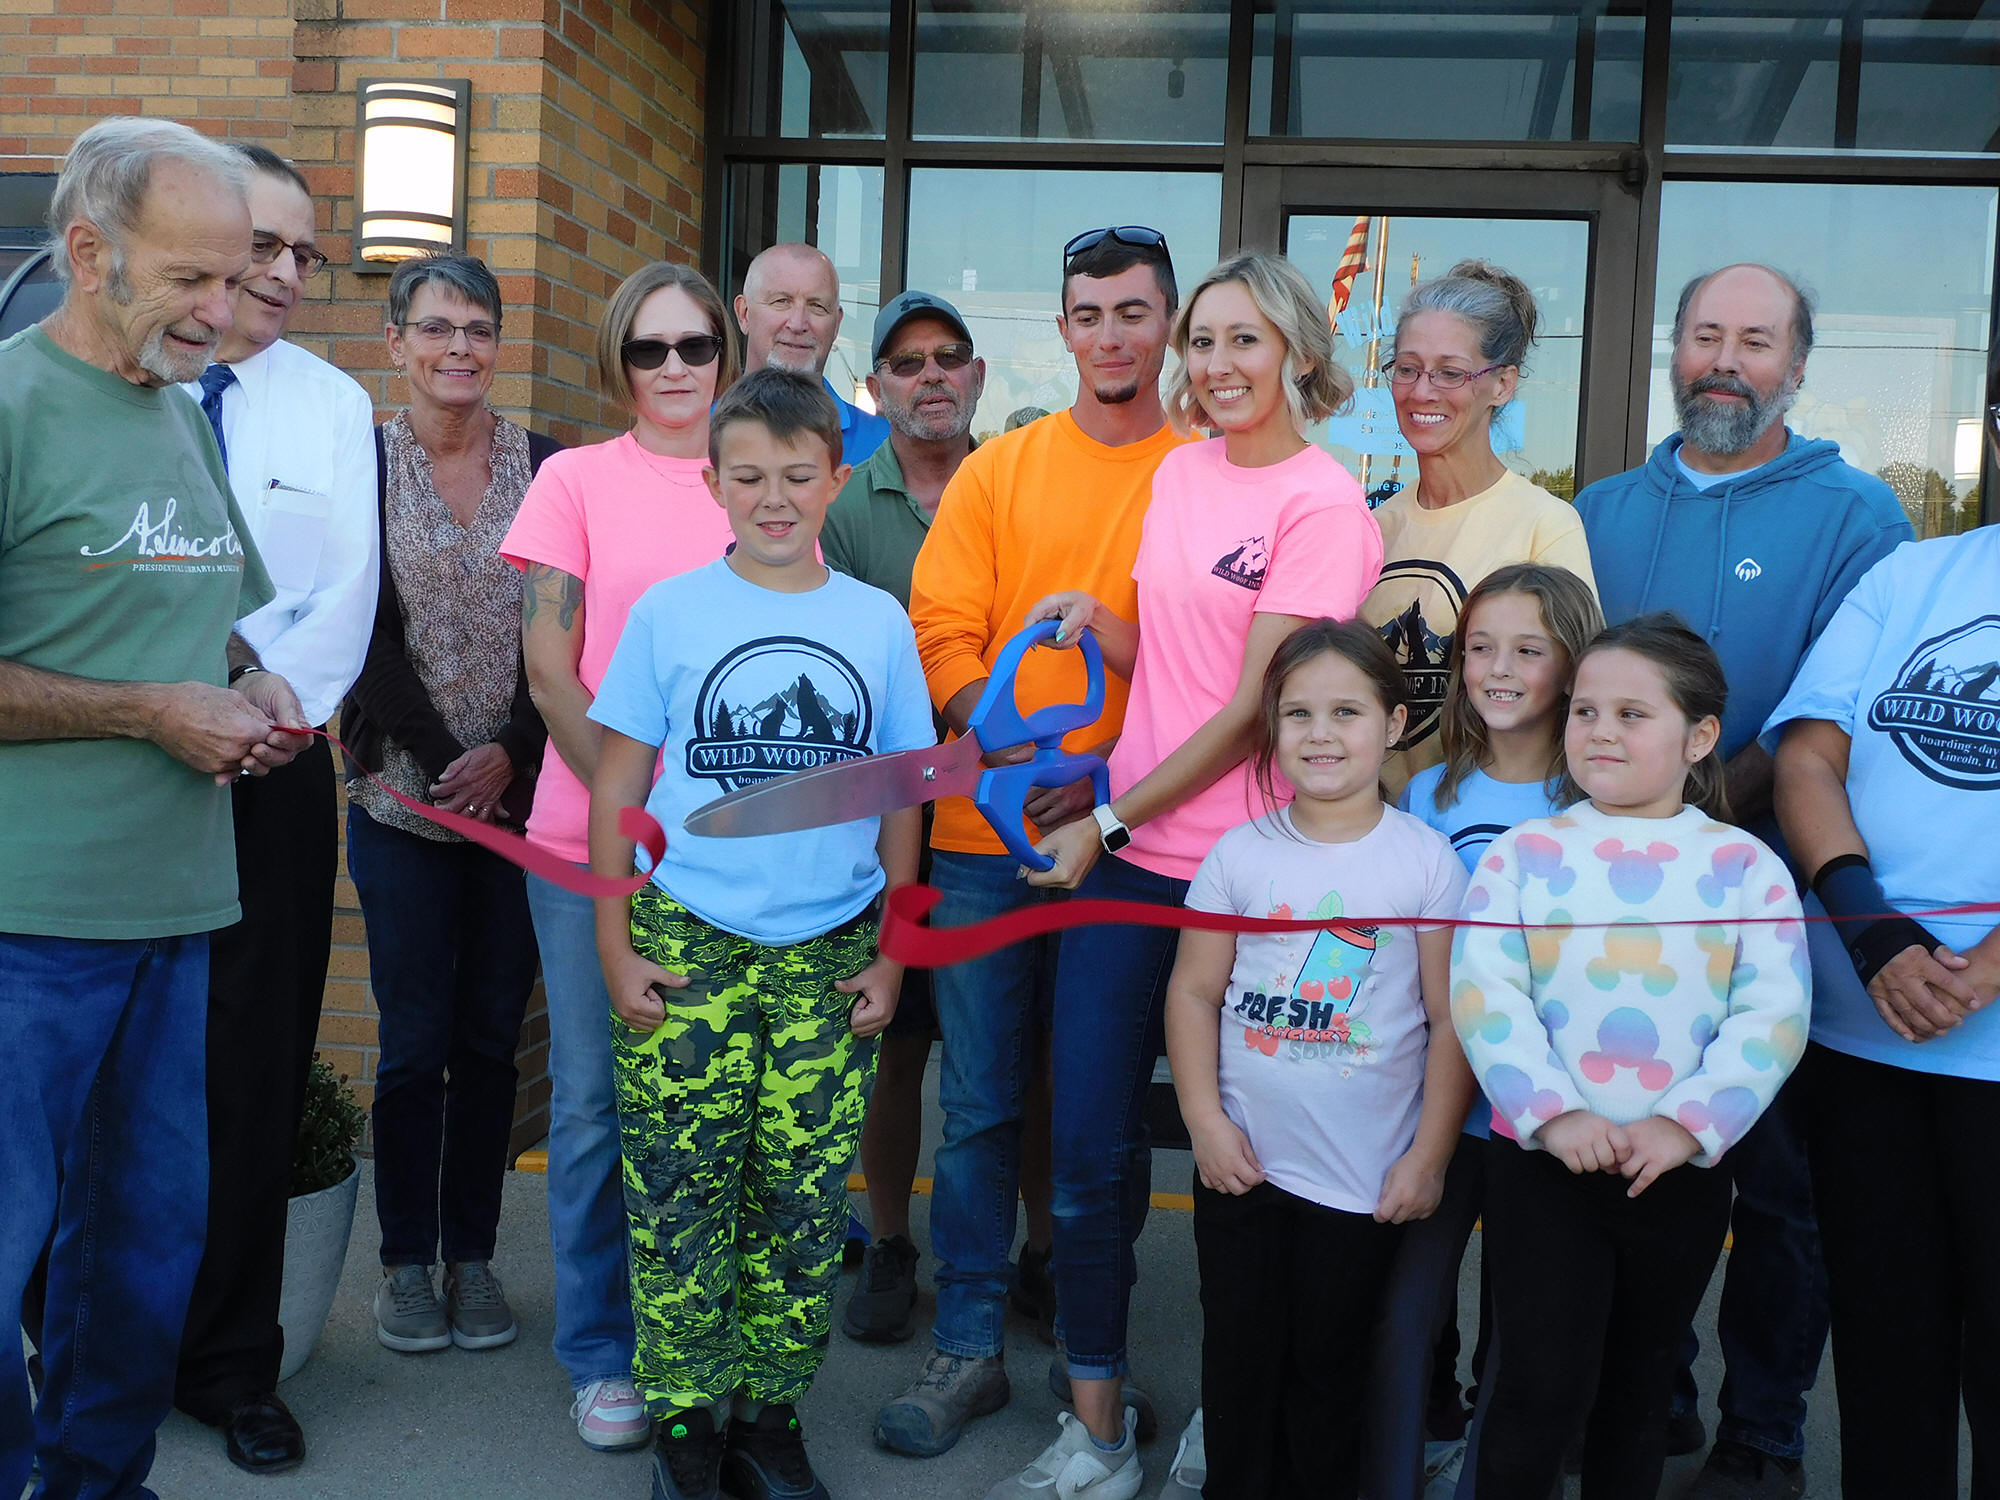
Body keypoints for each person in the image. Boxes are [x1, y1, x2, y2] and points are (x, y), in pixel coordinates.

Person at [1005, 249, 1381, 1500]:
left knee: (1255, 1161)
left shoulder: (1325, 506)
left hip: (1252, 870)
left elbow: (1248, 708)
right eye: (1203, 341)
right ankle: (1096, 1429)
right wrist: (1097, 622)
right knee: (1085, 1147)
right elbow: (1174, 653)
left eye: (1243, 341)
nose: (1216, 365)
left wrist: (1105, 823)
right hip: (1132, 864)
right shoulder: (1178, 472)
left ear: (1298, 356)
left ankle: (1236, 1415)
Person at [0, 117, 308, 1500]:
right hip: (27, 920)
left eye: (234, 278)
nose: (221, 310)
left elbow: (212, 614)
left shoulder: (179, 412)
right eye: (190, 278)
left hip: (176, 912)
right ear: (89, 252)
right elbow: (140, 684)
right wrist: (144, 711)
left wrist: (254, 682)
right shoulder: (11, 410)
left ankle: (98, 1481)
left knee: (141, 1249)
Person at [1574, 263, 1908, 1497]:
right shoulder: (1600, 510)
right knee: (1632, 1158)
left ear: (1796, 366)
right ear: (1672, 351)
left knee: (1774, 1186)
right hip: (1616, 911)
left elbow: (1833, 713)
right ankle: (1645, 1396)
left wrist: (1698, 817)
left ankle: (1761, 1432)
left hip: (1774, 903)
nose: (1725, 360)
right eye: (1704, 335)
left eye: (1754, 341)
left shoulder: (1858, 516)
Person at [586, 368, 931, 1500]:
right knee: (678, 1193)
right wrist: (613, 944)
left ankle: (769, 1417)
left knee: (800, 1200)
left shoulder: (874, 622)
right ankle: (687, 1425)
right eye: (748, 478)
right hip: (688, 942)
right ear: (714, 484)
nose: (772, 498)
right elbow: (617, 785)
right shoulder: (670, 613)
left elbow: (902, 795)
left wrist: (893, 950)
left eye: (795, 475)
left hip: (829, 953)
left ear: (835, 479)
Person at [878, 225, 1191, 1460]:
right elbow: (939, 630)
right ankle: (965, 1346)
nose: (1110, 336)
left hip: (1128, 840)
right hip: (979, 843)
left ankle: (1085, 1350)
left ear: (1166, 324)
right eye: (1088, 314)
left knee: (1101, 1116)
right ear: (1062, 329)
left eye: (1132, 312)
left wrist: (1100, 786)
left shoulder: (1201, 479)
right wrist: (1007, 754)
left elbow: (1207, 666)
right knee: (978, 1105)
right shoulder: (1000, 471)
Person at [1452, 615, 1811, 1500]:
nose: (1600, 731)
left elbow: (1773, 1012)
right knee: (1536, 1388)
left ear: (1699, 736)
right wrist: (1551, 1114)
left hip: (1677, 1171)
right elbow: (1487, 994)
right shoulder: (1524, 854)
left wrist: (1688, 1126)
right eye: (1584, 710)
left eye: (1631, 714)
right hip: (1543, 1168)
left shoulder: (1746, 868)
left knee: (1639, 1391)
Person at [500, 260, 739, 1451]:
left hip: (734, 858)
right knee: (594, 1104)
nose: (674, 368)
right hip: (588, 840)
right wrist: (633, 813)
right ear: (618, 360)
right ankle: (600, 1352)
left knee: (708, 1106)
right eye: (650, 348)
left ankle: (695, 1335)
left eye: (695, 345)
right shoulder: (575, 480)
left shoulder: (758, 477)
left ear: (725, 353)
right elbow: (553, 672)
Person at [167, 142, 379, 1476]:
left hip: (274, 768)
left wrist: (264, 709)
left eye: (309, 252)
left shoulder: (331, 404)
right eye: (266, 245)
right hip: (120, 766)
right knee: (113, 1068)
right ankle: (85, 1339)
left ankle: (232, 1365)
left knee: (252, 1075)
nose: (290, 272)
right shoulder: (124, 381)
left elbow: (344, 591)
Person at [1761, 351, 2000, 1497]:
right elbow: (1806, 758)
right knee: (1882, 1365)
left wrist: (1986, 966)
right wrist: (1873, 936)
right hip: (1867, 1039)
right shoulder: (1912, 574)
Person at [1166, 619, 1471, 1500]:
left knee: (1330, 1385)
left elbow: (1450, 1021)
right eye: (1297, 713)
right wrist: (1204, 1122)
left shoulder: (1425, 863)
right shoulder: (1239, 855)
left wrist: (1428, 1158)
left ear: (1394, 722)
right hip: (1242, 1171)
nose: (1321, 734)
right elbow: (1194, 993)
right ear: (1270, 726)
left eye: (1346, 712)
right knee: (1238, 1371)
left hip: (1360, 1187)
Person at [338, 254, 558, 1362]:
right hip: (402, 808)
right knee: (414, 1041)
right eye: (434, 327)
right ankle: (403, 1264)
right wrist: (443, 759)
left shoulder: (547, 467)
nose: (457, 347)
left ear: (498, 342)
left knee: (490, 1038)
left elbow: (566, 630)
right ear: (395, 342)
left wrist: (510, 753)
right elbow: (359, 632)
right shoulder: (360, 467)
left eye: (477, 327)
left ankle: (472, 1257)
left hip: (518, 812)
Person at [1371, 563, 1604, 1499]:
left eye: (1528, 650)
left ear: (1574, 664)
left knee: (1525, 1338)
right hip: (1436, 1108)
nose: (1498, 669)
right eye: (1480, 648)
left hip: (1542, 1116)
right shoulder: (1427, 794)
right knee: (1403, 1318)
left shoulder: (1597, 808)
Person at [819, 288, 1012, 1345]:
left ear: (976, 374)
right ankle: (892, 1242)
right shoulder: (847, 509)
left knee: (1011, 1056)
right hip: (889, 823)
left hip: (1003, 821)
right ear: (876, 387)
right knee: (891, 1045)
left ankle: (1033, 1254)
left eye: (948, 356)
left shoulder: (1013, 480)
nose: (930, 376)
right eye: (906, 362)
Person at [1359, 259, 1596, 796]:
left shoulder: (1545, 525)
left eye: (1450, 373)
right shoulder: (1373, 528)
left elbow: (1579, 694)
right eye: (1407, 369)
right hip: (1373, 825)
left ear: (1502, 384)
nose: (1422, 391)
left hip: (1489, 824)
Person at [735, 241, 889, 464]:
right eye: (781, 301)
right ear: (744, 313)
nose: (798, 324)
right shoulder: (696, 432)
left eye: (817, 306)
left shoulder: (883, 447)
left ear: (836, 325)